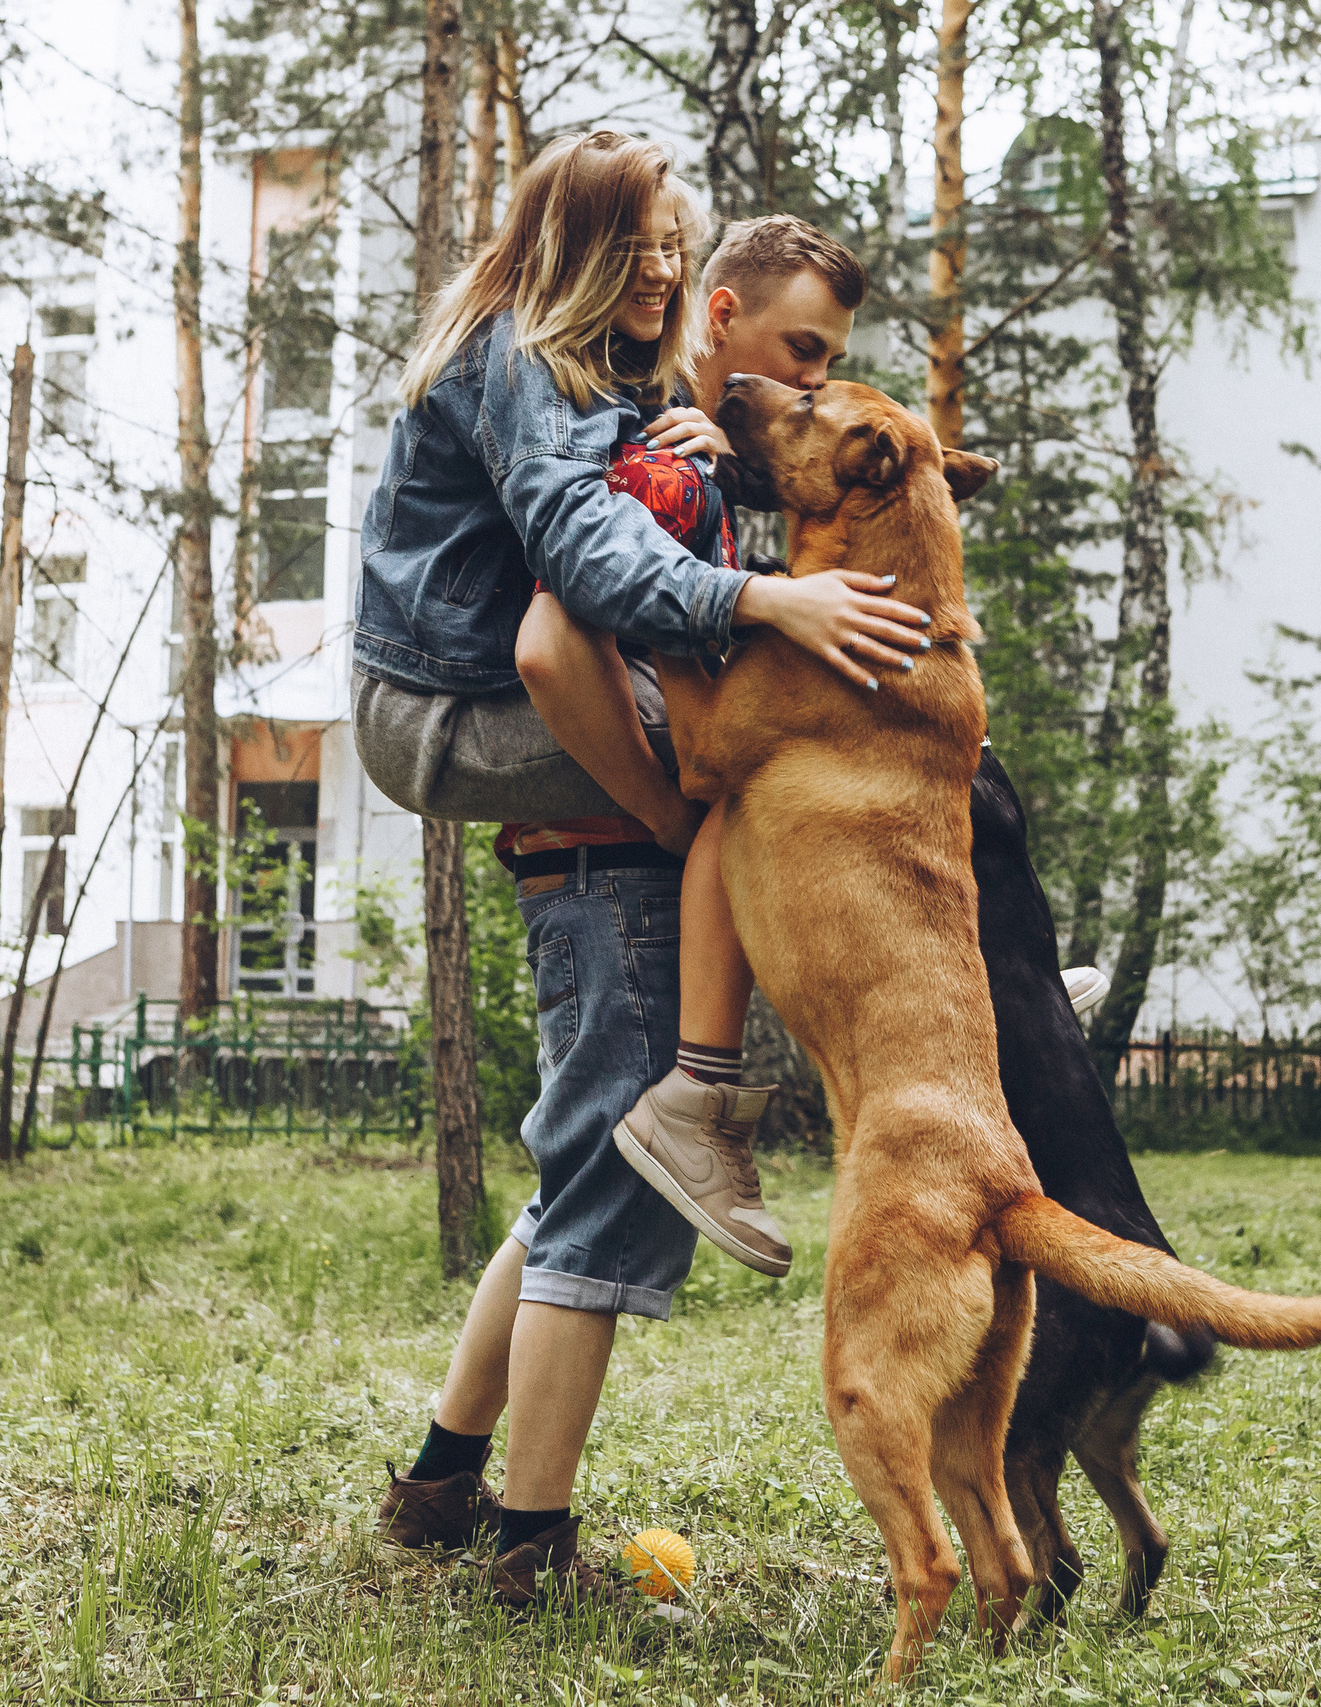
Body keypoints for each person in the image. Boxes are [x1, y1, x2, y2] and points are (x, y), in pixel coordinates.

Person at [353, 132, 929, 1612]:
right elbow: (579, 591)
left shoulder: (607, 388)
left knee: (572, 1185)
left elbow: (614, 525)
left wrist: (671, 455)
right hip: (446, 710)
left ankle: (440, 1483)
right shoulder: (515, 360)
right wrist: (768, 593)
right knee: (623, 1157)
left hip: (510, 712)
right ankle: (530, 1549)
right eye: (646, 258)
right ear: (585, 257)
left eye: (677, 252)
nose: (664, 282)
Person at [511, 215, 908, 1281]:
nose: (814, 382)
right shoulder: (645, 446)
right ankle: (715, 1080)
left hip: (616, 834)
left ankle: (450, 1451)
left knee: (580, 1189)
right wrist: (668, 813)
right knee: (596, 1217)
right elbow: (554, 645)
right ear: (721, 315)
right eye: (804, 355)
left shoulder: (697, 448)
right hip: (603, 839)